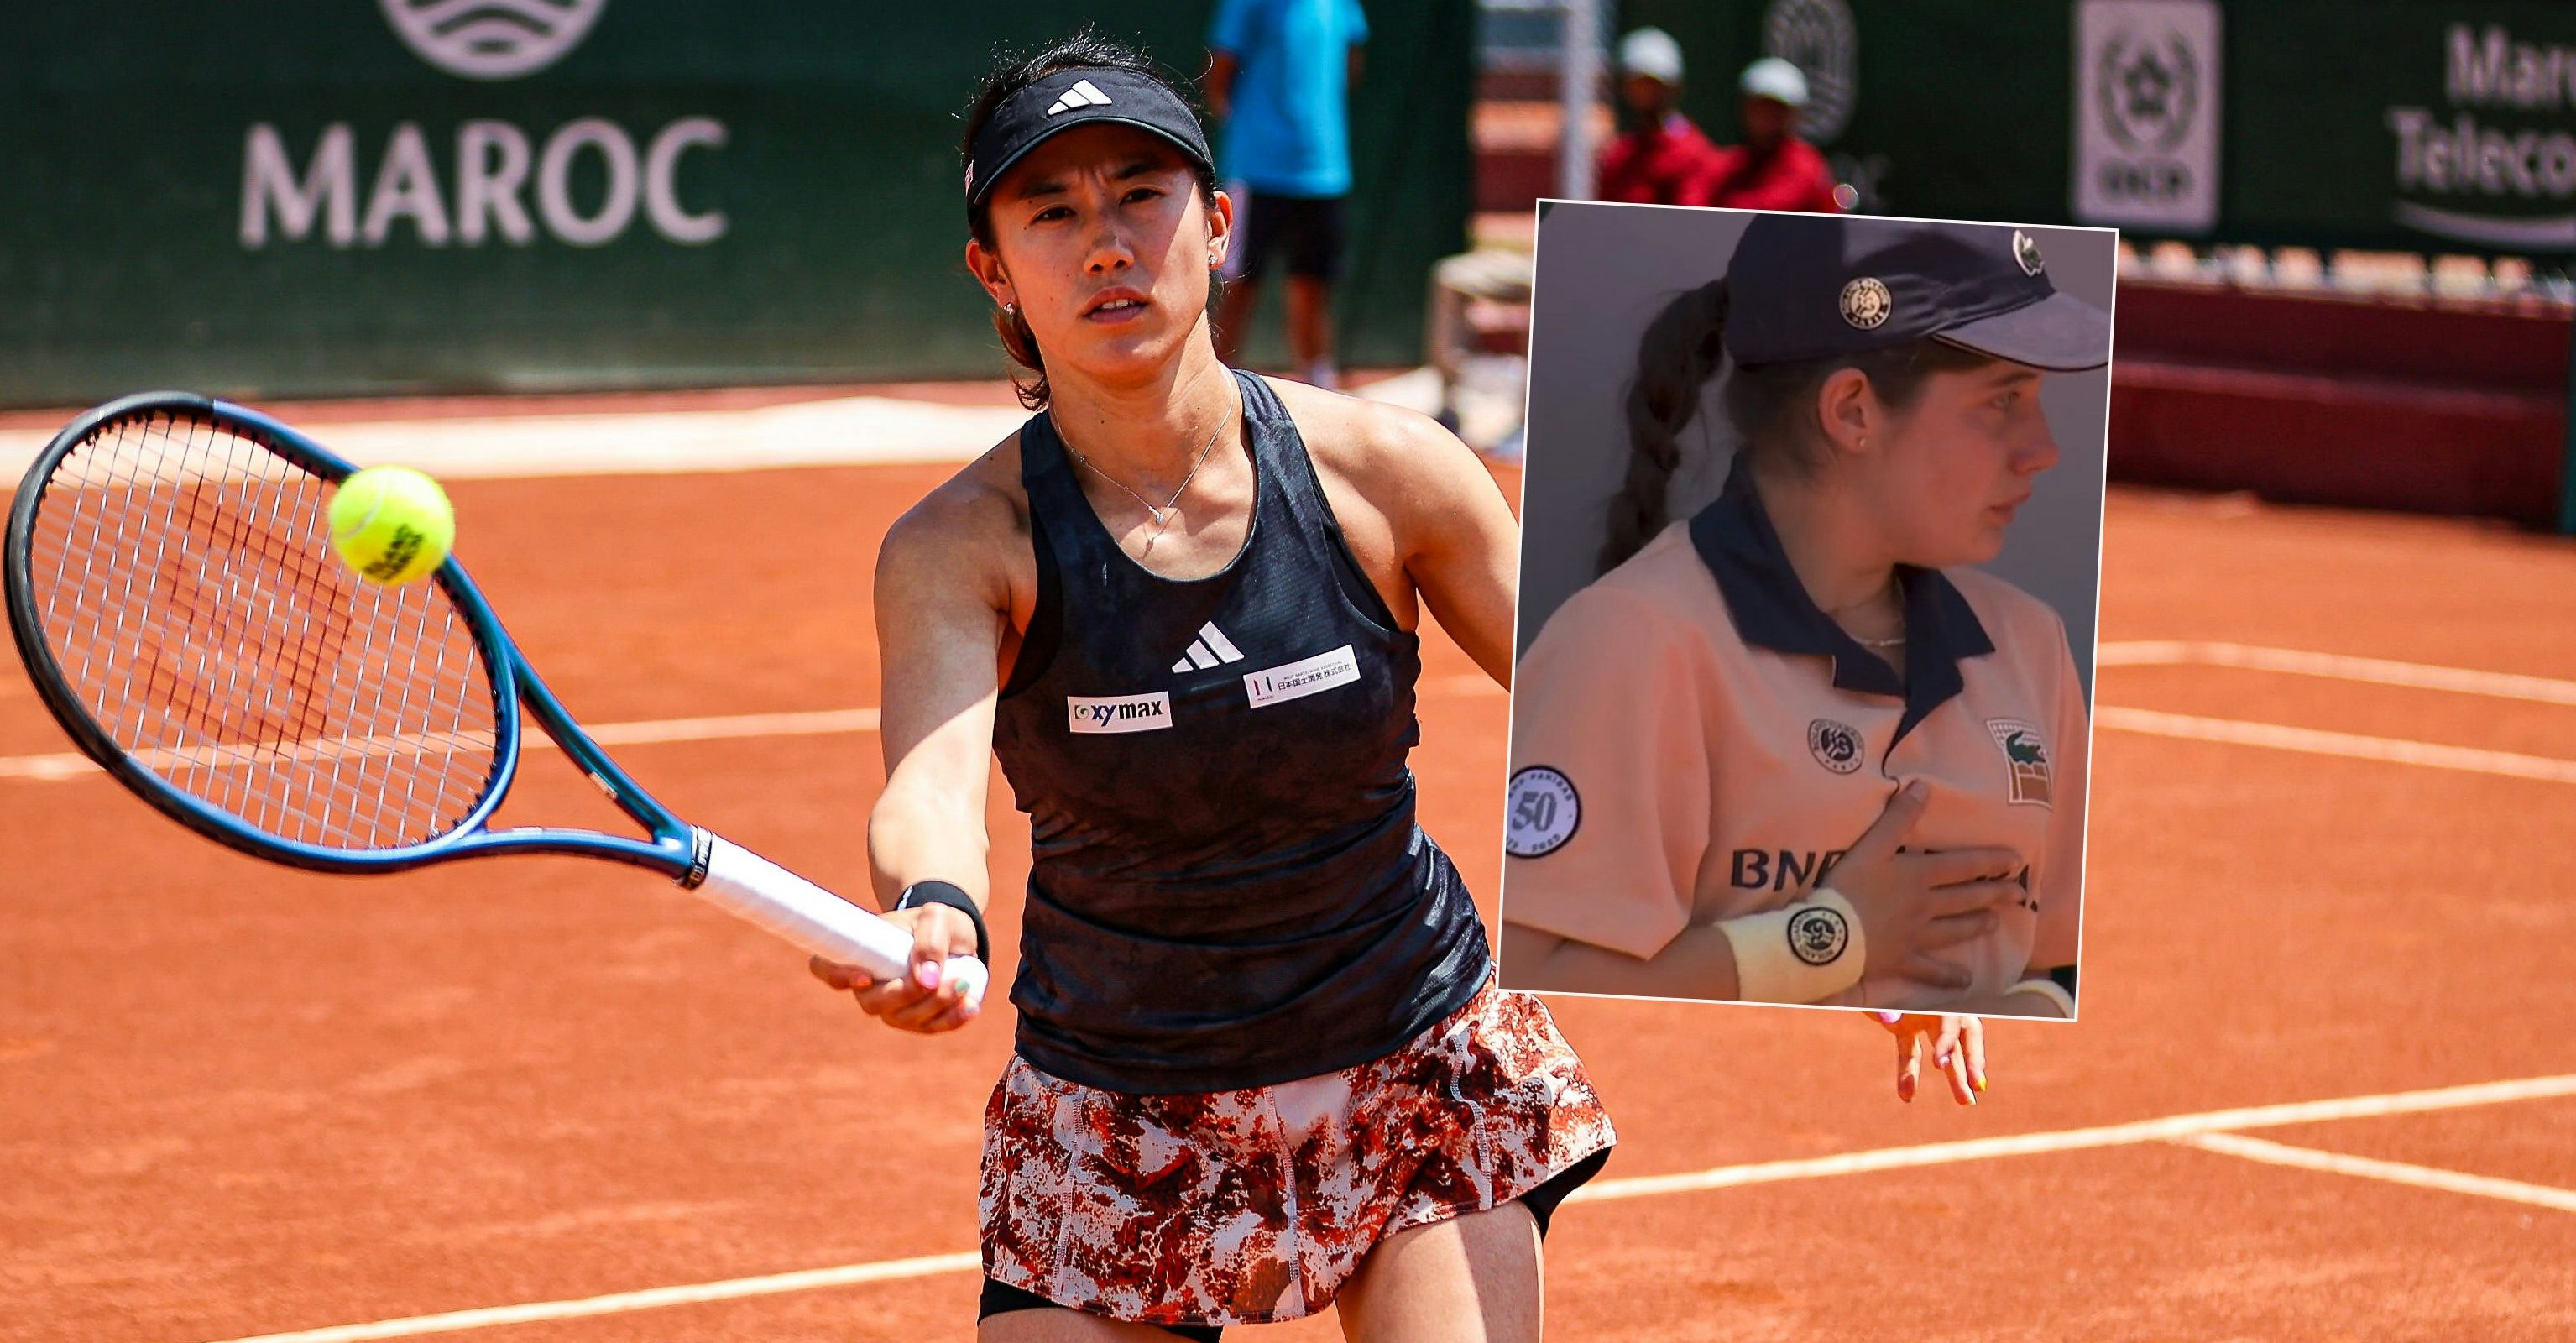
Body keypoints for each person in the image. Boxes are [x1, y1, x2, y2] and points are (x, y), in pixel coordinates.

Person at [811, 33, 1611, 1340]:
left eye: (1140, 192)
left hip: (1409, 1056)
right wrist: (934, 908)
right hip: (1114, 1105)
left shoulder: (1392, 473)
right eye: (1051, 212)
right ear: (994, 272)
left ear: (1220, 223)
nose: (1105, 243)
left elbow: (1615, 706)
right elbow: (932, 787)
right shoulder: (961, 546)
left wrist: (1857, 909)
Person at [1498, 213, 2098, 1037]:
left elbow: (2054, 968)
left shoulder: (2030, 644)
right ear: (1851, 410)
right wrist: (1828, 940)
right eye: (2001, 401)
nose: (2042, 448)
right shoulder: (1631, 639)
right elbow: (1535, 989)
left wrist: (1992, 1017)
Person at [1205, 0, 1365, 390]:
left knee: (1311, 285)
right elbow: (1219, 78)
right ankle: (1209, 389)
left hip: (1324, 170)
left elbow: (1350, 65)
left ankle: (1320, 390)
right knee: (1238, 285)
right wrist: (1257, 131)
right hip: (1257, 171)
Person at [1687, 57, 1842, 213]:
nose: (1767, 115)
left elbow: (1770, 213)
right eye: (1761, 105)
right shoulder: (1722, 165)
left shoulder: (1807, 168)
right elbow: (1691, 209)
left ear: (1794, 114)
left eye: (1778, 108)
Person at [1595, 27, 1720, 206]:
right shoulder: (1618, 155)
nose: (1645, 93)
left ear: (1674, 87)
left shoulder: (1696, 154)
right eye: (1637, 84)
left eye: (1653, 84)